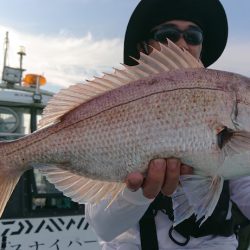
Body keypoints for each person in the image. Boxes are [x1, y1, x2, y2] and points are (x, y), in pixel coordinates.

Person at [86, 0, 250, 249]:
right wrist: (138, 192)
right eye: (167, 35)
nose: (182, 43)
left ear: (201, 46)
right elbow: (104, 228)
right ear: (144, 46)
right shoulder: (108, 109)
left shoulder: (224, 108)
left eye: (193, 35)